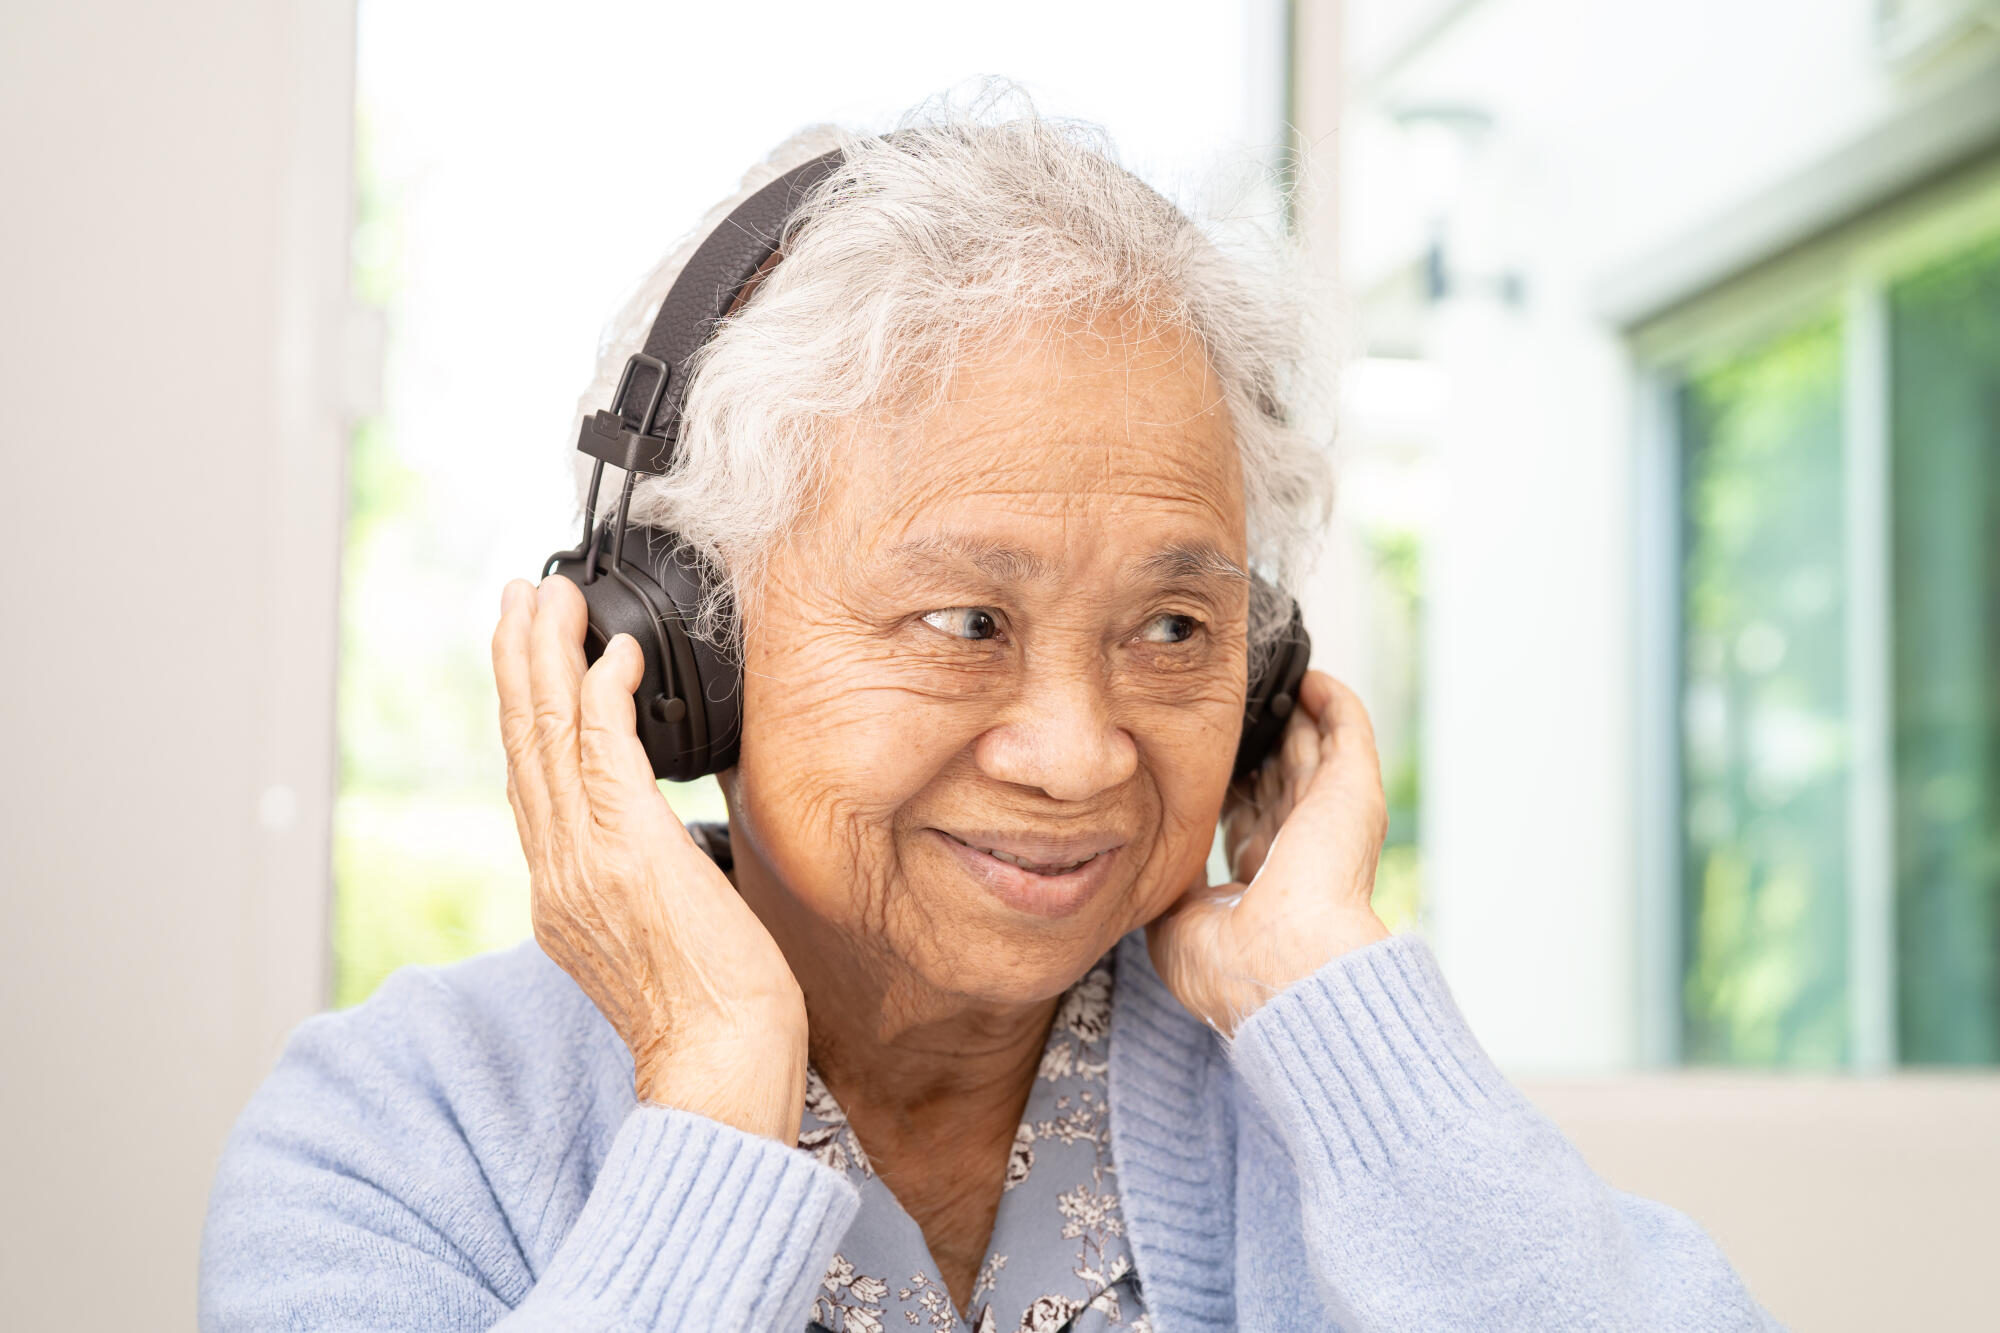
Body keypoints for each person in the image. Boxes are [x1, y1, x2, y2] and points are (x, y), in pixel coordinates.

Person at [199, 108, 1782, 1332]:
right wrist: (709, 1085)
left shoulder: (1335, 1109)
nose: (1079, 753)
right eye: (967, 622)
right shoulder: (386, 1137)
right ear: (683, 647)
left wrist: (1325, 985)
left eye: (1174, 626)